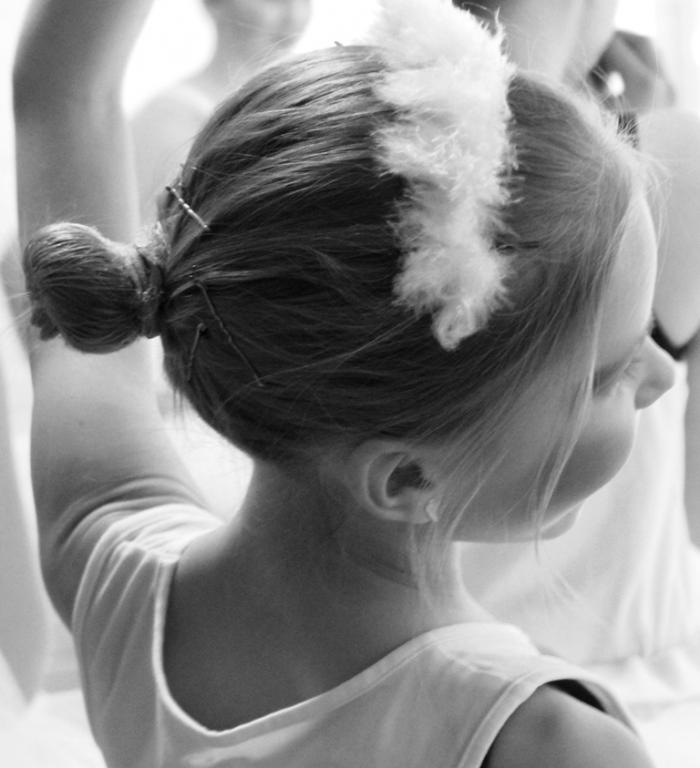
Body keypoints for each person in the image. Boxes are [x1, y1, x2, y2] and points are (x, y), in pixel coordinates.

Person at [14, 0, 674, 765]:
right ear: (406, 476)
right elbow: (61, 97)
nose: (662, 374)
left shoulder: (109, 565)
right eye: (608, 375)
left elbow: (59, 98)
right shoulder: (548, 744)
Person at [459, 2, 700, 764]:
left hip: (425, 671)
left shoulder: (351, 156)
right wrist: (646, 131)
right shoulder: (677, 164)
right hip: (628, 691)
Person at [131, 0, 313, 222]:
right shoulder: (169, 120)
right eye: (274, 1)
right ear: (215, 4)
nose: (294, 17)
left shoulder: (307, 110)